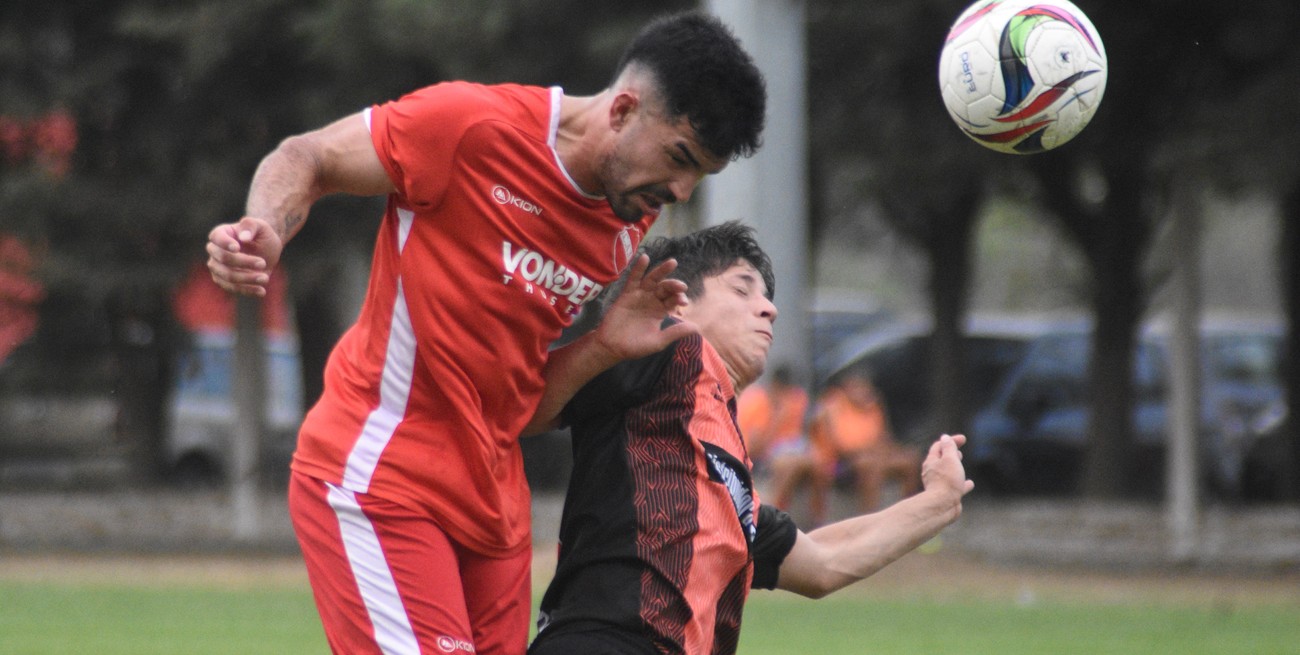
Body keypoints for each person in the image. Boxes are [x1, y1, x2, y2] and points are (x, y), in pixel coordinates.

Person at [204, 12, 766, 655]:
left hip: (495, 512)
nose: (679, 190)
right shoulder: (468, 126)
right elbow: (311, 155)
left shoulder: (622, 228)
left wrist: (603, 346)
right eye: (679, 158)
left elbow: (519, 408)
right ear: (622, 111)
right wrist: (266, 227)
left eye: (699, 177)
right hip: (382, 475)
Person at [526, 222, 973, 655]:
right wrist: (603, 346)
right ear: (677, 304)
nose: (769, 308)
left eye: (766, 297)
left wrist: (940, 502)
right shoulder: (665, 350)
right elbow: (521, 408)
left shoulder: (723, 477)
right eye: (742, 290)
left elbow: (822, 563)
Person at [808, 371, 923, 514]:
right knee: (870, 465)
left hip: (873, 456)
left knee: (910, 460)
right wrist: (870, 451)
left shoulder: (872, 405)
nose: (861, 392)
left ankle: (910, 516)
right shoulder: (834, 405)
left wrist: (887, 451)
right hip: (839, 463)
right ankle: (870, 518)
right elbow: (842, 447)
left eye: (864, 387)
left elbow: (884, 438)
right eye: (856, 387)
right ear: (846, 388)